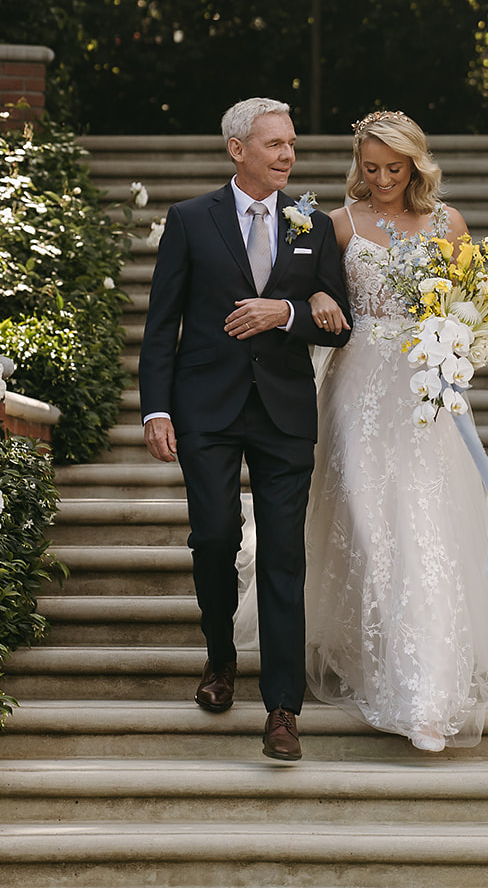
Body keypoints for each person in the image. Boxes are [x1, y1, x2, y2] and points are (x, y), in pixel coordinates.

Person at [138, 97, 352, 762]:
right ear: (237, 150)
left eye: (290, 144)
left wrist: (287, 311)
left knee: (284, 554)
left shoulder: (312, 223)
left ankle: (282, 709)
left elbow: (340, 314)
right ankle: (220, 658)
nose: (287, 155)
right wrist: (156, 408)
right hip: (206, 406)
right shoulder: (189, 220)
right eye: (273, 145)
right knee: (213, 537)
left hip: (285, 411)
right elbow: (160, 323)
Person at [302, 110, 488, 752]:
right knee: (371, 525)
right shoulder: (338, 224)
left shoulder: (448, 223)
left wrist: (463, 345)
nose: (383, 179)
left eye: (395, 169)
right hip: (356, 389)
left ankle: (426, 692)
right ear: (358, 163)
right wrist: (317, 298)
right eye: (371, 168)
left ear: (416, 166)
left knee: (424, 527)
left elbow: (476, 302)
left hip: (424, 390)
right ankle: (379, 662)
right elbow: (311, 293)